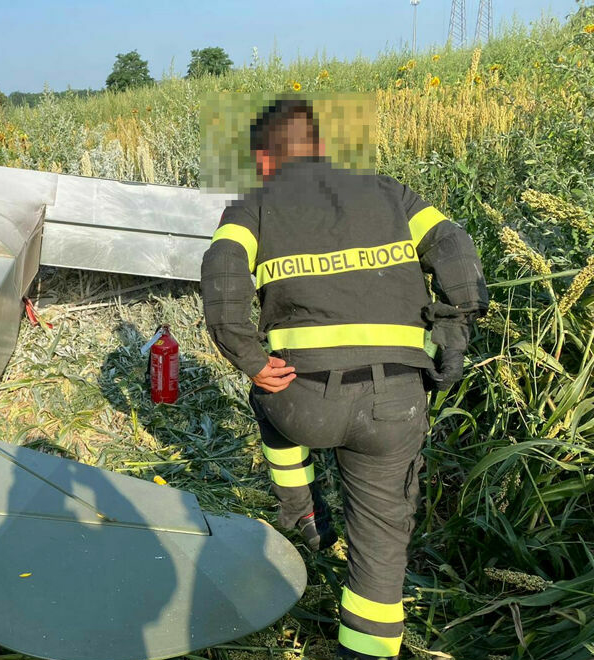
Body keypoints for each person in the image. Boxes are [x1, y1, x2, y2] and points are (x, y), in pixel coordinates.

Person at [200, 97, 488, 660]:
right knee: (380, 545)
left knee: (266, 395)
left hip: (301, 401)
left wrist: (252, 359)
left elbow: (221, 278)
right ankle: (366, 649)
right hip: (394, 404)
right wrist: (455, 330)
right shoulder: (389, 192)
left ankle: (302, 511)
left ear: (263, 160)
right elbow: (454, 244)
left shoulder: (251, 208)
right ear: (322, 149)